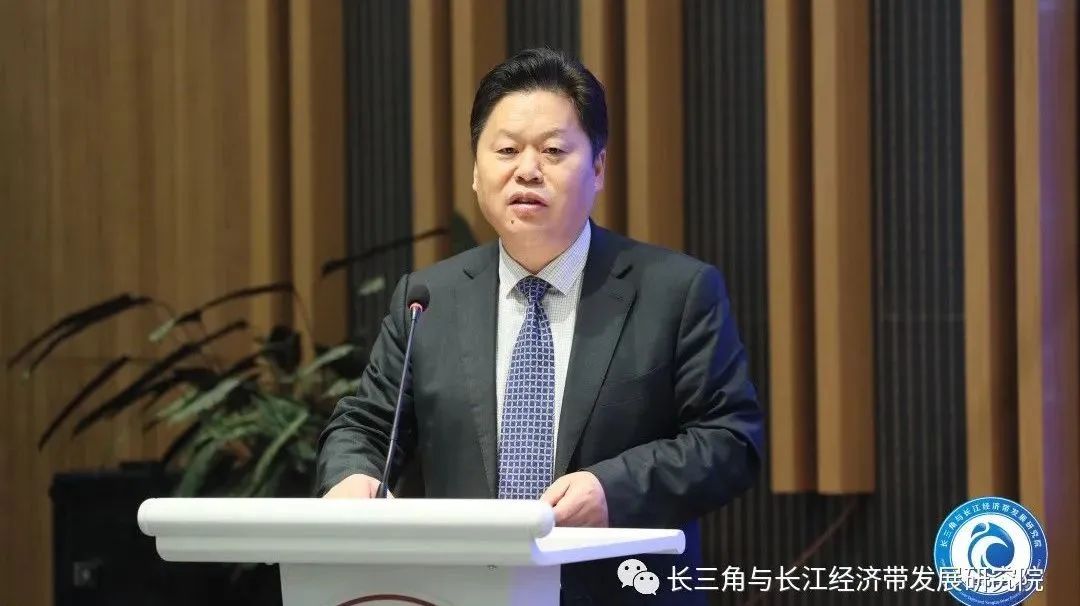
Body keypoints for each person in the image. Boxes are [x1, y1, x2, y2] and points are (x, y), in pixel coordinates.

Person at [316, 47, 764, 605]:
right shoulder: (429, 300)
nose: (527, 169)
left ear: (598, 168)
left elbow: (729, 440)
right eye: (506, 150)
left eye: (553, 150)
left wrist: (613, 490)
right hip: (459, 593)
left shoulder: (676, 292)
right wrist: (353, 477)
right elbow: (365, 426)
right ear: (476, 171)